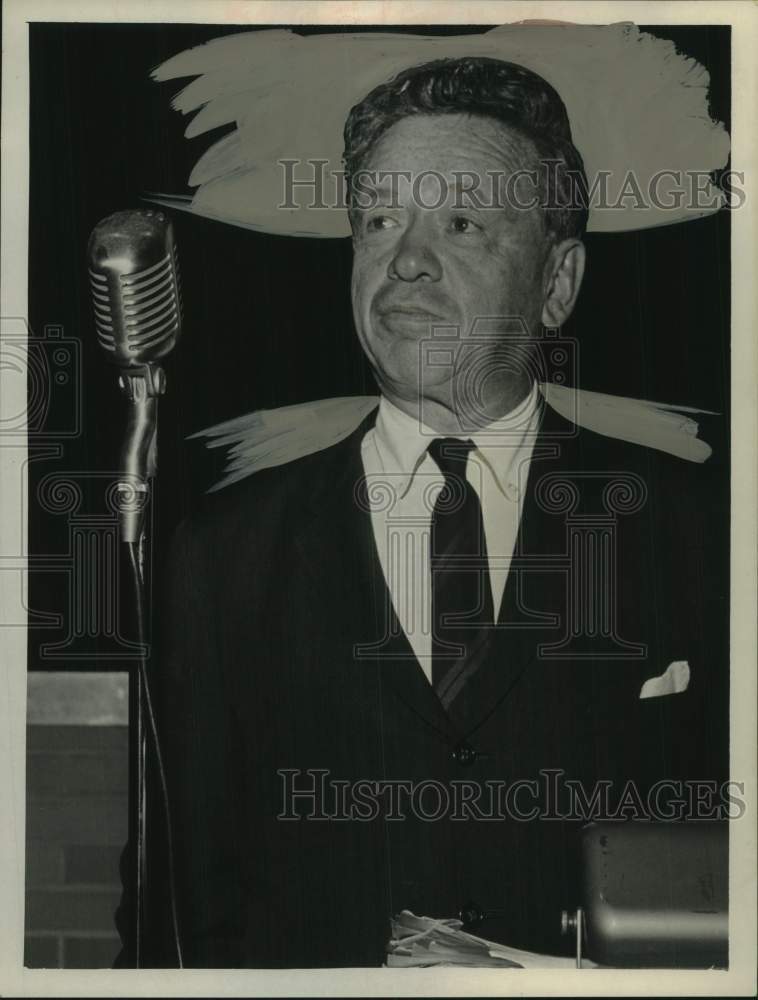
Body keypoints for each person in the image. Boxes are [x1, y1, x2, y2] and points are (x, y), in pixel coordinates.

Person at [123, 56, 728, 968]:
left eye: (461, 223)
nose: (405, 259)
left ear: (557, 283)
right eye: (378, 221)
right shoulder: (222, 552)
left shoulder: (701, 535)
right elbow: (174, 914)